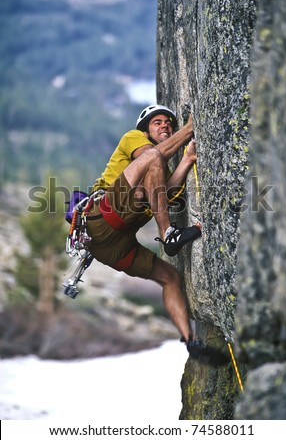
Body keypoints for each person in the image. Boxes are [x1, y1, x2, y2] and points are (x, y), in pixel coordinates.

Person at [86, 105, 228, 366]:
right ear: (145, 130)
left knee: (171, 278)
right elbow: (152, 156)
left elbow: (165, 193)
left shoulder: (154, 172)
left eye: (168, 124)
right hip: (102, 217)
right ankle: (169, 234)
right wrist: (188, 130)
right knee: (152, 159)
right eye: (157, 123)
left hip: (113, 246)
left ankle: (191, 342)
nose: (164, 126)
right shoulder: (133, 139)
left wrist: (186, 160)